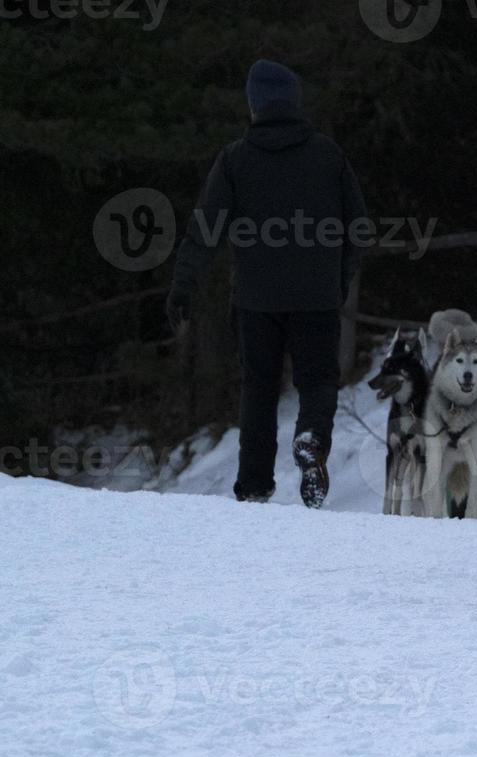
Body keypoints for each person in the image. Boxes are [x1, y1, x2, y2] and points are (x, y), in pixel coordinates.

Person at [167, 59, 368, 508]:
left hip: (256, 299)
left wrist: (183, 285)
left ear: (254, 105)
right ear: (294, 102)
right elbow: (359, 227)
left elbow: (205, 229)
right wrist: (337, 280)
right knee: (317, 380)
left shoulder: (235, 158)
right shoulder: (328, 154)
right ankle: (312, 437)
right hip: (316, 295)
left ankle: (255, 484)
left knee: (258, 387)